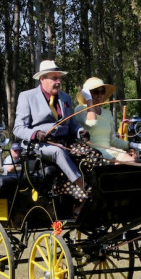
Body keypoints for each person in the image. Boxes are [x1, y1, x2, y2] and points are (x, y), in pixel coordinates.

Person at [13, 60, 90, 197]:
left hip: (65, 142)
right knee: (58, 151)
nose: (58, 81)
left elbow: (71, 124)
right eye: (54, 78)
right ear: (42, 79)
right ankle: (84, 186)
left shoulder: (65, 97)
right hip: (39, 145)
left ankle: (93, 187)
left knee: (91, 152)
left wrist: (79, 132)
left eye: (59, 78)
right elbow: (18, 128)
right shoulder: (27, 97)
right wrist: (36, 134)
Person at [75, 77, 141, 162]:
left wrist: (131, 144)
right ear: (88, 94)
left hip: (110, 151)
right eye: (96, 92)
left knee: (133, 162)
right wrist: (89, 100)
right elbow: (92, 122)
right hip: (93, 154)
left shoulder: (107, 113)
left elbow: (113, 140)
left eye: (102, 92)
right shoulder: (80, 109)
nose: (99, 95)